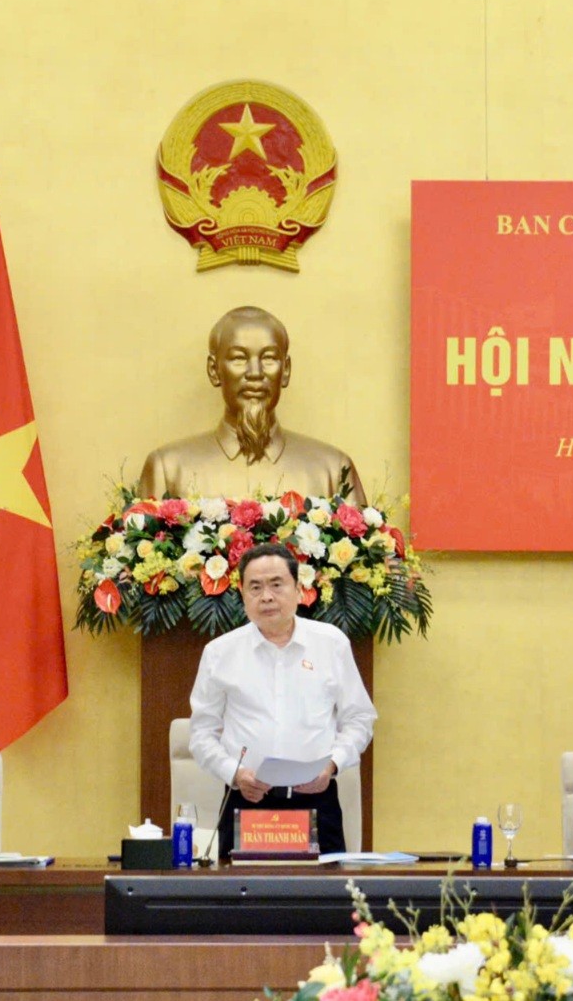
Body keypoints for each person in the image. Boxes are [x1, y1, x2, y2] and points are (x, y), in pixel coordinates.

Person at [188, 542, 376, 858]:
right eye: (255, 587)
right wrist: (234, 773)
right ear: (242, 594)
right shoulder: (220, 653)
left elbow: (359, 719)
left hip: (317, 800)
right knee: (242, 889)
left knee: (324, 889)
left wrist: (332, 764)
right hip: (247, 800)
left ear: (298, 589)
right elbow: (201, 734)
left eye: (277, 585)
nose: (266, 596)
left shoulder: (331, 644)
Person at [137, 306, 362, 499]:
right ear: (214, 370)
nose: (255, 373)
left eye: (269, 358)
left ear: (286, 370)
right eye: (239, 358)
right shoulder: (168, 469)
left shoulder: (332, 470)